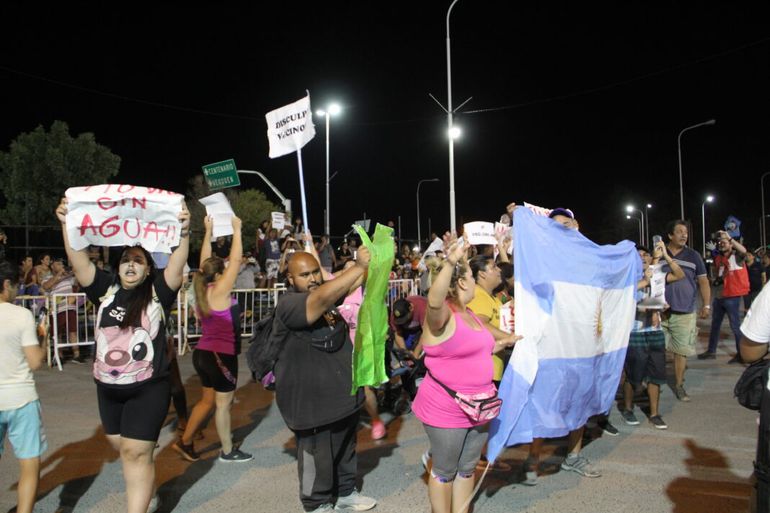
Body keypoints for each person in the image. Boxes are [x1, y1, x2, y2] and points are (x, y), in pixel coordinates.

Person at [55, 197, 190, 513]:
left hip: (148, 388)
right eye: (126, 259)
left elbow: (177, 264)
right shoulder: (105, 289)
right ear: (118, 266)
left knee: (136, 453)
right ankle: (144, 481)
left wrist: (184, 233)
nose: (131, 264)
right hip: (107, 390)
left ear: (147, 270)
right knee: (123, 448)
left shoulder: (158, 292)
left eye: (139, 260)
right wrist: (66, 223)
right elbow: (78, 261)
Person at [412, 237, 518, 513]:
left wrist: (501, 343)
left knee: (467, 469)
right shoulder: (442, 317)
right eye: (470, 275)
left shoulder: (470, 313)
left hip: (480, 406)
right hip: (447, 409)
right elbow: (434, 302)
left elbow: (471, 352)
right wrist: (450, 261)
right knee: (445, 470)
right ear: (461, 283)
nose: (473, 281)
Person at [273, 246, 377, 512]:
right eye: (304, 275)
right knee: (315, 454)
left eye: (315, 273)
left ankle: (345, 493)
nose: (312, 279)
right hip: (312, 405)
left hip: (341, 397)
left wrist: (370, 262)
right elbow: (320, 299)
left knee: (345, 447)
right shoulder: (290, 304)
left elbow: (350, 283)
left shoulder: (325, 298)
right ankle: (316, 503)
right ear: (291, 280)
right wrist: (358, 266)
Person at [174, 215, 252, 462]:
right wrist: (237, 230)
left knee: (208, 401)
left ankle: (185, 442)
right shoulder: (219, 290)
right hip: (220, 355)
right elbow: (237, 260)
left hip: (204, 354)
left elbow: (204, 262)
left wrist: (208, 231)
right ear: (218, 274)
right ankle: (228, 451)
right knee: (223, 404)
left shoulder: (202, 288)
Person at [620, 242, 684, 430]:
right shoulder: (628, 279)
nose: (643, 257)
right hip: (635, 332)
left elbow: (679, 275)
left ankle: (655, 413)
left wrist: (666, 254)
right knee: (634, 374)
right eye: (638, 255)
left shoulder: (657, 276)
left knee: (657, 374)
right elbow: (631, 300)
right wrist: (653, 302)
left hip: (655, 333)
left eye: (646, 254)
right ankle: (628, 408)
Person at [0, 259, 47, 513]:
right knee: (29, 465)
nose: (17, 290)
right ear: (6, 284)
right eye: (16, 285)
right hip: (21, 397)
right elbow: (36, 361)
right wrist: (44, 337)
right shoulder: (21, 315)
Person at [660, 220, 710, 401]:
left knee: (680, 352)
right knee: (656, 350)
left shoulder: (694, 255)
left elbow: (703, 281)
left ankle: (679, 385)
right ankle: (653, 384)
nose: (684, 235)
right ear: (670, 235)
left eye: (686, 232)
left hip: (686, 311)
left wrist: (706, 305)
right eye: (679, 232)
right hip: (659, 313)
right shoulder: (659, 253)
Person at [699, 230, 748, 363]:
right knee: (715, 325)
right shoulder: (719, 258)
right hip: (720, 296)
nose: (722, 244)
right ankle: (711, 351)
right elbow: (719, 273)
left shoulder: (736, 257)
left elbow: (743, 250)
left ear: (731, 245)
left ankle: (741, 354)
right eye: (720, 242)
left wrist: (730, 238)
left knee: (735, 326)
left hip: (732, 296)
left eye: (724, 243)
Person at [41, 258, 82, 363]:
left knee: (73, 331)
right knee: (57, 333)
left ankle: (77, 355)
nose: (61, 266)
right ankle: (59, 355)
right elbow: (46, 286)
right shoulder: (47, 278)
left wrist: (75, 272)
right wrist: (59, 274)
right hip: (56, 309)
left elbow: (77, 282)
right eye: (58, 264)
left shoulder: (68, 277)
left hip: (70, 307)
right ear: (52, 267)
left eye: (61, 264)